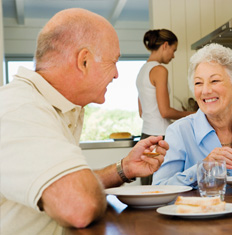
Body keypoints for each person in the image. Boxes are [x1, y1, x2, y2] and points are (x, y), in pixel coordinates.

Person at [0, 8, 169, 234]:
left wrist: (124, 169)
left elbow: (65, 184)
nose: (117, 74)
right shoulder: (20, 108)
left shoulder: (60, 107)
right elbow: (78, 205)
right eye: (114, 61)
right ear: (84, 61)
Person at [152, 43, 232, 187]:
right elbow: (159, 188)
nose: (205, 91)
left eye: (214, 81)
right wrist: (202, 168)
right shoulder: (179, 132)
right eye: (198, 83)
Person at [136, 29, 195, 185]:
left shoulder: (142, 71)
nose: (173, 55)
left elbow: (142, 112)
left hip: (146, 136)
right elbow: (165, 111)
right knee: (163, 188)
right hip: (160, 138)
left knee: (147, 189)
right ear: (165, 45)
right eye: (173, 50)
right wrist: (193, 114)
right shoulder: (159, 70)